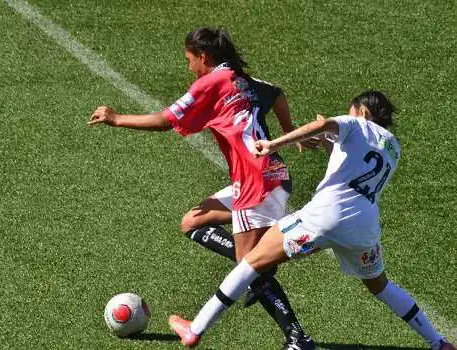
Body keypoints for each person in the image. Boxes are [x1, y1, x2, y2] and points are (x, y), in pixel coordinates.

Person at [169, 91, 456, 350]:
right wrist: (329, 142)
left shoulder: (355, 122)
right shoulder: (393, 147)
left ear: (362, 111)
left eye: (350, 109)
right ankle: (438, 342)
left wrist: (273, 144)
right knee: (380, 286)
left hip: (324, 216)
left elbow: (322, 126)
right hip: (364, 227)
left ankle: (194, 330)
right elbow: (346, 165)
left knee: (251, 262)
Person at [89, 27, 316, 349]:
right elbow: (276, 93)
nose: (188, 67)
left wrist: (116, 118)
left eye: (189, 60)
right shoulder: (241, 80)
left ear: (204, 57)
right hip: (266, 176)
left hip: (256, 183)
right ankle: (259, 272)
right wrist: (290, 131)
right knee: (192, 222)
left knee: (248, 268)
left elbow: (164, 120)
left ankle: (298, 338)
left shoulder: (210, 82)